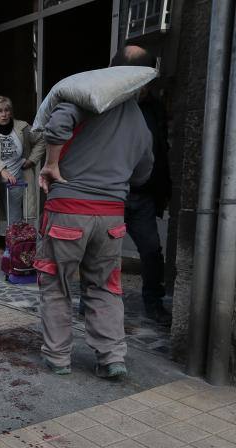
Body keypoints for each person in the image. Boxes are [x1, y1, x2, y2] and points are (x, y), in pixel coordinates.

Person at [36, 53, 154, 379]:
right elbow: (144, 174)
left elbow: (58, 124)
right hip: (112, 217)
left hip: (68, 211)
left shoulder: (88, 95)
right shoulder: (141, 124)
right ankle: (112, 358)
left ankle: (58, 359)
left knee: (57, 284)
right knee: (105, 286)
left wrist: (51, 164)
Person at [109, 46, 172, 325]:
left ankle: (153, 302)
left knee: (150, 250)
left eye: (147, 82)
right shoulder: (106, 105)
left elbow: (160, 150)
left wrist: (162, 189)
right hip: (112, 192)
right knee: (101, 251)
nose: (143, 87)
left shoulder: (154, 108)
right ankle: (92, 301)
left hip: (143, 195)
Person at [0, 96, 45, 273]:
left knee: (15, 222)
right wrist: (2, 169)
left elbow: (42, 140)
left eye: (7, 110)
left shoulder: (22, 127)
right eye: (0, 111)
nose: (4, 114)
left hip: (17, 180)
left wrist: (31, 161)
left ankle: (12, 254)